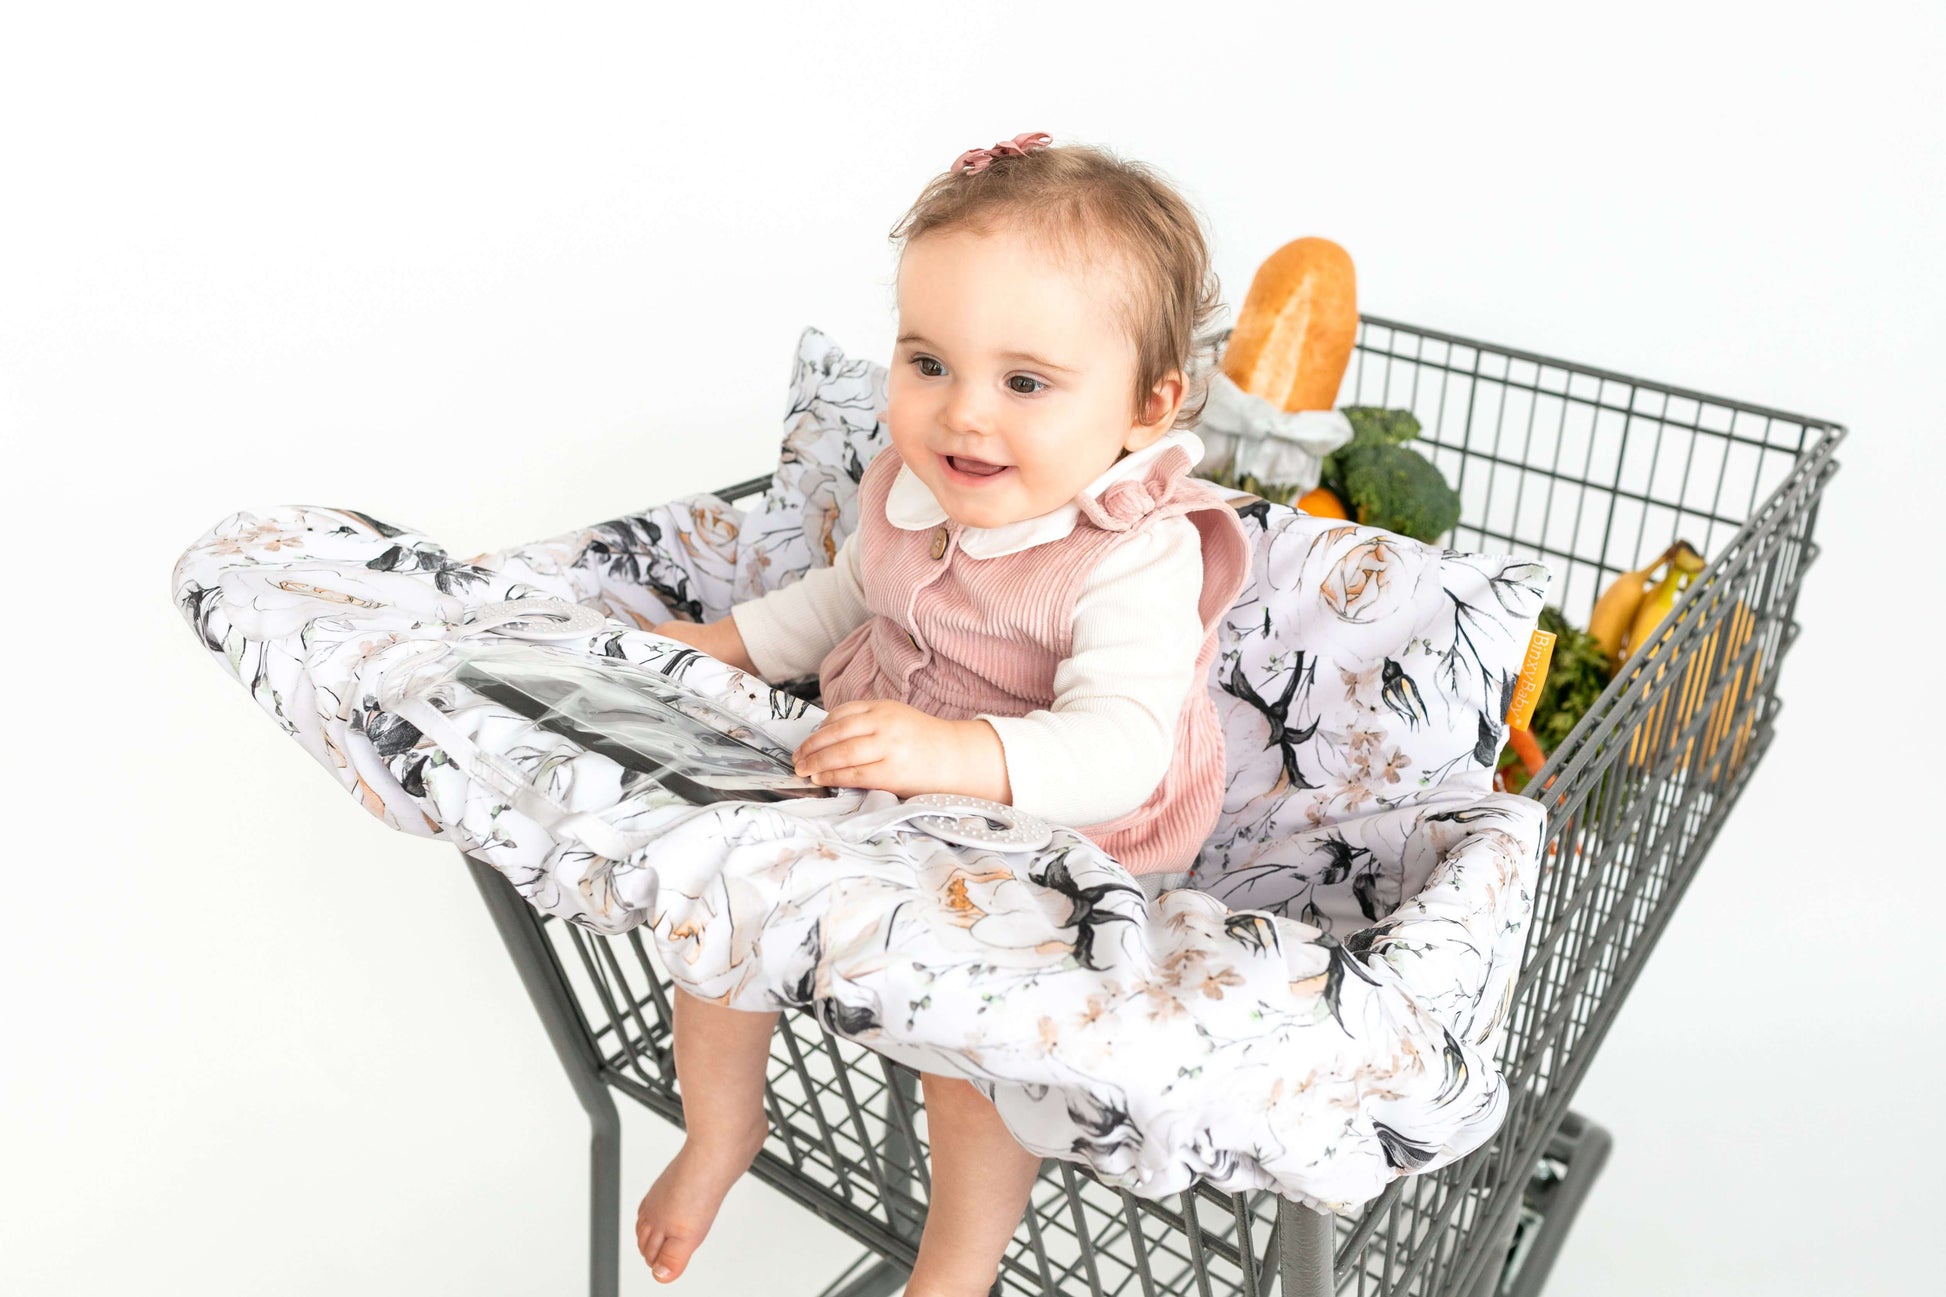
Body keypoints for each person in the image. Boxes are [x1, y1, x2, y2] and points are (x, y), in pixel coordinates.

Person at [634, 131, 1251, 1296]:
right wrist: (725, 645)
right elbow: (847, 595)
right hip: (892, 777)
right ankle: (719, 1130)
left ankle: (954, 1268)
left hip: (1063, 835)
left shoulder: (1132, 556)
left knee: (967, 1050)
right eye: (927, 362)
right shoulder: (916, 484)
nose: (962, 414)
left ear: (1146, 406)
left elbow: (1119, 749)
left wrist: (952, 753)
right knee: (721, 906)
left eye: (1024, 383)